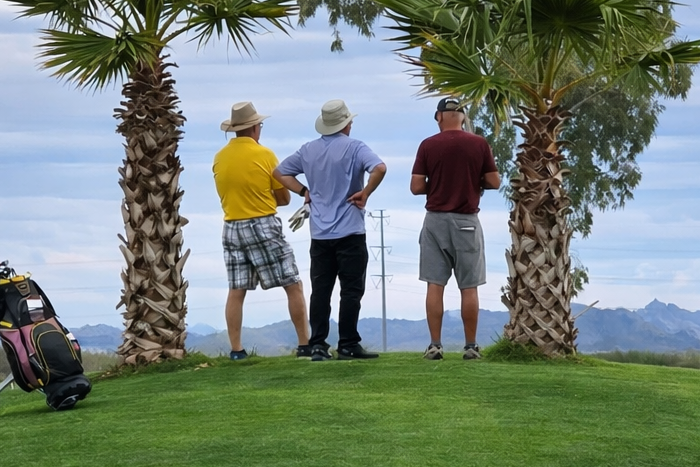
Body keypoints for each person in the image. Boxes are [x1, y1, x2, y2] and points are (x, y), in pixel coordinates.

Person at [273, 99, 387, 361]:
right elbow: (379, 168)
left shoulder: (308, 150)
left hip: (320, 233)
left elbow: (280, 173)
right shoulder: (355, 147)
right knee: (350, 290)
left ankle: (318, 345)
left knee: (321, 290)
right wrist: (365, 193)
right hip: (350, 231)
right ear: (346, 124)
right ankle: (347, 343)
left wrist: (305, 191)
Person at [212, 101, 311, 360]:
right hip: (263, 223)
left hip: (231, 225)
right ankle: (304, 344)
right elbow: (284, 197)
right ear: (255, 127)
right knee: (293, 283)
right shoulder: (265, 155)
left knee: (237, 289)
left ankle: (236, 350)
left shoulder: (219, 157)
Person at [411, 97, 501, 361]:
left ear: (439, 116)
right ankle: (471, 346)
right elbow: (494, 181)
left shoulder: (428, 145)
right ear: (463, 116)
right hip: (467, 222)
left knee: (434, 284)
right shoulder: (479, 144)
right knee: (469, 286)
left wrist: (437, 184)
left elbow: (416, 186)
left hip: (435, 220)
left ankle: (435, 345)